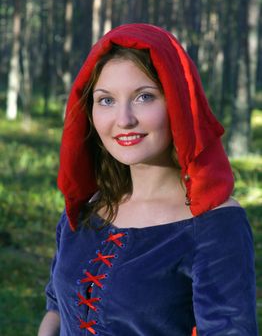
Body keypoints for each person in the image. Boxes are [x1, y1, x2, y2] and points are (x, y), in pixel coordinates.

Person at [38, 24, 258, 336]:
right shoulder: (87, 209)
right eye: (106, 100)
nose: (124, 119)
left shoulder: (214, 224)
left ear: (178, 103)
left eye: (144, 97)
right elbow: (57, 308)